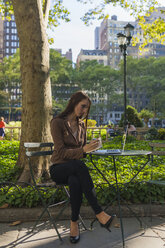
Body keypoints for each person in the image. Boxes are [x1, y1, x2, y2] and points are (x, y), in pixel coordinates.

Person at [49, 91, 116, 244]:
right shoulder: (57, 122)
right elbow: (60, 152)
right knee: (78, 167)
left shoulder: (81, 126)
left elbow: (81, 154)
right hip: (58, 169)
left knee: (75, 181)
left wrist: (91, 148)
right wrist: (83, 150)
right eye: (83, 106)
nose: (85, 110)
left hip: (74, 170)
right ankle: (99, 212)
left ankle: (74, 224)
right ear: (74, 103)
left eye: (87, 108)